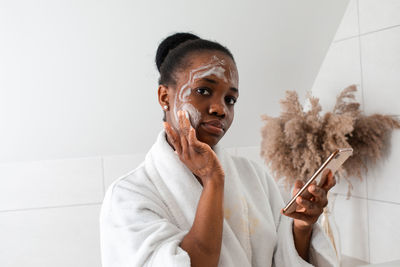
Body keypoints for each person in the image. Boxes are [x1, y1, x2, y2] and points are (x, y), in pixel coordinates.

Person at [100, 32, 339, 267]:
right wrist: (213, 180)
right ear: (164, 96)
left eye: (230, 99)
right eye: (203, 90)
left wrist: (301, 227)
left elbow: (282, 259)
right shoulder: (129, 197)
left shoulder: (254, 177)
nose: (221, 109)